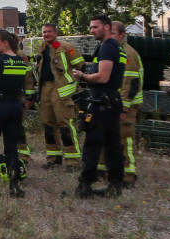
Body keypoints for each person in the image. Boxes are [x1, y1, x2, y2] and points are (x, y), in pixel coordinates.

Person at [72, 15, 127, 198]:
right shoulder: (116, 48)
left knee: (92, 145)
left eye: (95, 27)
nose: (92, 30)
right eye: (91, 27)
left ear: (107, 28)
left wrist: (82, 76)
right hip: (112, 100)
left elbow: (103, 76)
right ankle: (115, 186)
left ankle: (85, 187)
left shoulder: (107, 48)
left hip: (102, 102)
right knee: (113, 146)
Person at [0, 29, 33, 197]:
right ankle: (14, 186)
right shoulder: (21, 62)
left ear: (5, 43)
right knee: (12, 148)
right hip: (16, 107)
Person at [30, 23, 84, 170]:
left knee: (65, 124)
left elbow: (81, 66)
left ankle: (73, 161)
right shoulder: (41, 49)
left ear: (55, 33)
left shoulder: (65, 47)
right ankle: (53, 159)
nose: (46, 34)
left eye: (49, 32)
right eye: (44, 32)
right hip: (45, 89)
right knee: (48, 124)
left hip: (61, 90)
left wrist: (74, 83)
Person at [101, 21, 143, 185]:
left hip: (126, 105)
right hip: (113, 102)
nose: (108, 36)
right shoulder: (112, 51)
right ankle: (106, 170)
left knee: (125, 139)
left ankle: (128, 175)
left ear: (121, 34)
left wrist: (124, 108)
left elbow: (131, 83)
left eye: (112, 33)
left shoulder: (127, 53)